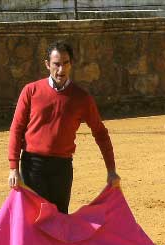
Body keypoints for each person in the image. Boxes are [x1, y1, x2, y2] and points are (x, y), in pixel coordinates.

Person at [7, 40, 120, 214]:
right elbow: (17, 129)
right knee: (34, 218)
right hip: (33, 165)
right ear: (47, 64)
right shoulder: (31, 91)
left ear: (71, 64)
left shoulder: (82, 98)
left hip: (62, 166)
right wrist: (14, 168)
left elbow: (100, 133)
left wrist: (111, 170)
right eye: (56, 64)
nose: (61, 70)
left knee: (59, 218)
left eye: (65, 64)